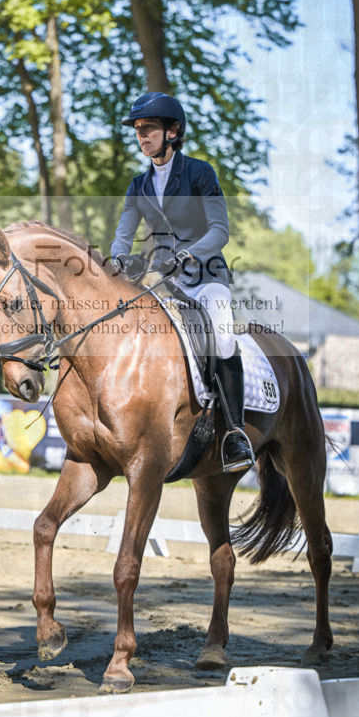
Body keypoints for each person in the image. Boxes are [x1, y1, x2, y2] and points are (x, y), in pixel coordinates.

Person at [110, 91, 253, 473]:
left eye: (149, 128)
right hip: (164, 280)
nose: (142, 136)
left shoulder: (200, 173)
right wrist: (120, 256)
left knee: (222, 334)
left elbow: (220, 230)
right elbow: (123, 234)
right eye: (138, 130)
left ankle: (235, 433)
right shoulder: (137, 185)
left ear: (173, 131)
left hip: (206, 277)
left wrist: (190, 254)